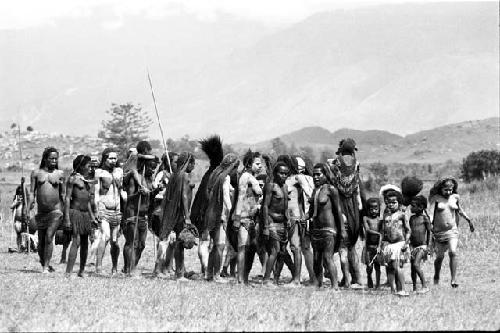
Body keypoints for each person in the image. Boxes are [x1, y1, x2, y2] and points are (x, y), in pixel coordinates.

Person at [428, 177, 474, 288]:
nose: (449, 192)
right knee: (439, 257)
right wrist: (429, 225)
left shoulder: (455, 197)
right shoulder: (435, 199)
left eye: (451, 190)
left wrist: (469, 220)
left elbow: (460, 210)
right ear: (441, 189)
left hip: (452, 231)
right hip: (438, 232)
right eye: (446, 190)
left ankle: (453, 280)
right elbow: (430, 214)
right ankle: (436, 276)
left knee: (453, 252)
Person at [330, 138, 363, 288]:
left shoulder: (334, 164)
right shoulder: (356, 164)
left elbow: (332, 184)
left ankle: (346, 278)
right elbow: (357, 190)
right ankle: (357, 279)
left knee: (341, 244)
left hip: (339, 205)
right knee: (351, 246)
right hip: (354, 208)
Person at [308, 163, 347, 289]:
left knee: (327, 258)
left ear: (326, 174)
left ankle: (335, 286)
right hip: (315, 230)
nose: (315, 177)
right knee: (316, 259)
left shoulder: (331, 190)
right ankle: (317, 284)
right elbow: (310, 211)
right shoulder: (315, 191)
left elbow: (338, 211)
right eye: (314, 175)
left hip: (328, 230)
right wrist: (301, 218)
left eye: (319, 174)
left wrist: (342, 230)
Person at [159, 152, 196, 281]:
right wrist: (187, 216)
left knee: (177, 244)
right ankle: (179, 274)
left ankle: (178, 272)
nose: (194, 167)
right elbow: (184, 196)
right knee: (180, 244)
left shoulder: (175, 175)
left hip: (173, 213)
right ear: (188, 163)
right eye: (193, 164)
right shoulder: (184, 176)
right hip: (180, 214)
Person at [190, 136, 224, 277]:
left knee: (206, 242)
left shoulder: (208, 174)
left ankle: (207, 269)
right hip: (209, 213)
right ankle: (206, 269)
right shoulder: (217, 175)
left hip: (203, 212)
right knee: (206, 242)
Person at [28, 147, 65, 273]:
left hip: (56, 211)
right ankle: (44, 263)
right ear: (45, 159)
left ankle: (45, 267)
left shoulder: (60, 174)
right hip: (41, 213)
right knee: (41, 242)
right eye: (51, 158)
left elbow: (63, 195)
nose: (54, 161)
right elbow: (32, 193)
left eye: (56, 159)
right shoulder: (36, 173)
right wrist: (28, 208)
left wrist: (66, 215)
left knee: (49, 237)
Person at [204, 153, 240, 282]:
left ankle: (209, 274)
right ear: (232, 166)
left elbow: (210, 192)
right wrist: (231, 211)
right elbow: (225, 196)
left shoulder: (215, 174)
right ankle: (217, 275)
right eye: (236, 167)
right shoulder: (225, 177)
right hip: (220, 215)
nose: (236, 171)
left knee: (214, 245)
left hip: (211, 213)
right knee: (220, 245)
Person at [123, 150, 158, 276]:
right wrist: (138, 193)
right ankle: (130, 269)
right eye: (151, 167)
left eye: (154, 168)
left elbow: (151, 198)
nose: (153, 170)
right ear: (144, 165)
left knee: (142, 245)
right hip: (132, 214)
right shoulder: (135, 178)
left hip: (144, 216)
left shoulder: (149, 180)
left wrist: (155, 190)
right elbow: (129, 197)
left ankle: (131, 266)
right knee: (132, 242)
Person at [232, 150, 263, 285]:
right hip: (244, 217)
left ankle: (243, 278)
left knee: (248, 248)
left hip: (251, 218)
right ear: (250, 164)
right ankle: (240, 279)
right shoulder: (245, 177)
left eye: (260, 163)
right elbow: (240, 197)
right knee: (242, 248)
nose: (260, 166)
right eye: (257, 163)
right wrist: (237, 218)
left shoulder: (252, 177)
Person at [64, 155, 96, 277]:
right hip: (75, 213)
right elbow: (67, 198)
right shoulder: (73, 179)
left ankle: (81, 271)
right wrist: (67, 217)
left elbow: (88, 201)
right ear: (81, 166)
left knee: (85, 243)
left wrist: (92, 217)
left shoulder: (87, 180)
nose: (90, 169)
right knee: (76, 241)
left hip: (85, 215)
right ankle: (68, 272)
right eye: (88, 166)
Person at [95, 148, 124, 275]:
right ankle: (99, 267)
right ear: (105, 159)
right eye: (110, 158)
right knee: (105, 236)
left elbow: (122, 190)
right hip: (104, 208)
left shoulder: (119, 171)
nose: (113, 161)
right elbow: (96, 192)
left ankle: (114, 267)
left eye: (115, 158)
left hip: (117, 211)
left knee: (114, 241)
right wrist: (96, 209)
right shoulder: (99, 172)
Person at [261, 162, 289, 287]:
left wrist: (287, 218)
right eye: (281, 173)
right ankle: (266, 280)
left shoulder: (285, 187)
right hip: (271, 222)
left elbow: (286, 206)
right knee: (275, 250)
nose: (283, 176)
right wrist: (266, 226)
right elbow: (265, 206)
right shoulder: (270, 186)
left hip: (283, 223)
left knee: (282, 252)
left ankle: (276, 279)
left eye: (286, 174)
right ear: (275, 173)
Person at [151, 152, 178, 276]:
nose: (176, 164)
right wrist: (166, 189)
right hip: (161, 212)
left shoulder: (176, 176)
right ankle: (158, 268)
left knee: (172, 241)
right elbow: (156, 190)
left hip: (171, 212)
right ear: (168, 162)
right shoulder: (162, 175)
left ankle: (167, 267)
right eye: (175, 161)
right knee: (163, 240)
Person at [380, 190, 411, 296]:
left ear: (399, 203)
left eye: (394, 202)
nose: (391, 204)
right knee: (389, 267)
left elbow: (408, 230)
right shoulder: (386, 216)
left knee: (397, 266)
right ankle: (393, 289)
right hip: (388, 245)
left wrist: (406, 243)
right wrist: (381, 244)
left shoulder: (402, 215)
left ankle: (402, 289)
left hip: (399, 244)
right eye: (389, 202)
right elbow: (383, 231)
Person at [409, 195, 431, 293]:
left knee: (416, 265)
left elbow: (430, 232)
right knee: (412, 268)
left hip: (422, 247)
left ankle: (424, 286)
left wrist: (428, 246)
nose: (411, 208)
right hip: (413, 246)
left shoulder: (425, 218)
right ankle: (414, 288)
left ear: (421, 207)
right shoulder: (412, 218)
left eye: (413, 206)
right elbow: (410, 232)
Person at [362, 198, 383, 289]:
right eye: (371, 209)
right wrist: (378, 234)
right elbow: (367, 230)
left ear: (379, 209)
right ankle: (369, 277)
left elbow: (382, 235)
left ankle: (378, 284)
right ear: (368, 209)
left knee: (377, 266)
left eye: (376, 209)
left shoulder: (380, 220)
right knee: (369, 266)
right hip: (368, 246)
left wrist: (379, 246)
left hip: (377, 246)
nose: (374, 211)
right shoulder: (366, 218)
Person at [11, 179, 34, 252]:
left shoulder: (27, 200)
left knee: (25, 234)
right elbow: (11, 206)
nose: (21, 193)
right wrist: (16, 202)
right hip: (17, 220)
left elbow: (32, 206)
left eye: (22, 191)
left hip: (24, 219)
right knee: (18, 234)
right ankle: (19, 247)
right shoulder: (18, 198)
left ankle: (26, 247)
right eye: (19, 191)